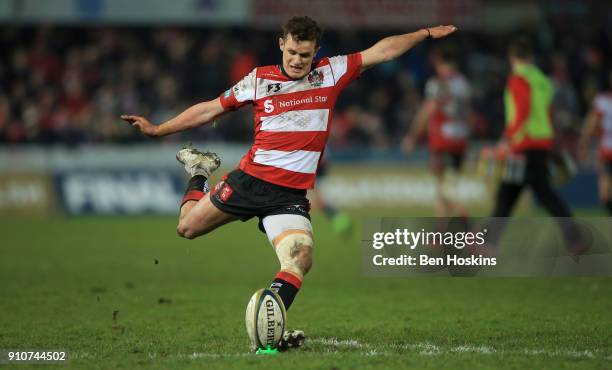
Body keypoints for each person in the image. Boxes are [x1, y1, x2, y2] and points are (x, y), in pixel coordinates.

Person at [121, 16, 457, 350]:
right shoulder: (258, 80)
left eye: (305, 55)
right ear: (282, 44)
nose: (297, 61)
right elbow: (209, 110)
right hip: (249, 182)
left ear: (316, 53)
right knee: (187, 228)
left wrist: (424, 32)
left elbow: (383, 51)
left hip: (289, 197)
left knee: (301, 258)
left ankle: (269, 329)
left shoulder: (331, 71)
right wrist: (158, 129)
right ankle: (199, 168)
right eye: (293, 52)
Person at [485, 37, 585, 260]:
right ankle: (489, 243)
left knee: (539, 194)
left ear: (511, 58)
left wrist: (508, 139)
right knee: (509, 194)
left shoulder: (518, 79)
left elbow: (522, 109)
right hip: (542, 142)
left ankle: (575, 238)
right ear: (530, 57)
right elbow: (549, 113)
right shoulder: (543, 80)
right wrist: (551, 140)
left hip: (524, 143)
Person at [401, 47, 471, 217]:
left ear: (440, 63)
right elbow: (468, 113)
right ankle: (439, 235)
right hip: (460, 140)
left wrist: (412, 136)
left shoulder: (438, 83)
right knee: (445, 189)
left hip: (442, 141)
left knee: (445, 192)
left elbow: (428, 110)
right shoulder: (463, 83)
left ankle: (470, 233)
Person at [579, 71, 612, 215]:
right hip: (607, 149)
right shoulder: (602, 100)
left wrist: (583, 143)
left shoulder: (603, 101)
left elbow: (591, 123)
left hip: (608, 149)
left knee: (604, 190)